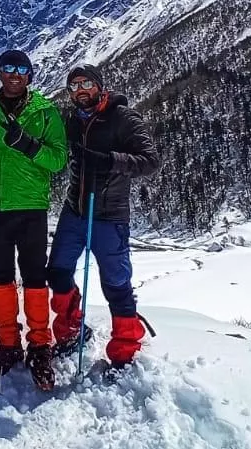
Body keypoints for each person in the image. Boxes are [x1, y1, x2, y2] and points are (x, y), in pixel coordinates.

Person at [0, 49, 67, 391]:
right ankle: (8, 345)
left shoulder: (46, 112)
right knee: (0, 276)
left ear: (30, 74)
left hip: (32, 207)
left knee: (35, 278)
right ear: (0, 73)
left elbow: (58, 159)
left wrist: (29, 146)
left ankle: (40, 345)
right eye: (8, 67)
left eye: (21, 68)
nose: (14, 74)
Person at [47, 65, 160, 370]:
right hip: (75, 210)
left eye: (85, 83)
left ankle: (125, 350)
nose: (79, 90)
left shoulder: (123, 118)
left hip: (109, 215)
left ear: (99, 86)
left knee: (116, 284)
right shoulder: (71, 120)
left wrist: (109, 161)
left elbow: (151, 162)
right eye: (73, 86)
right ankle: (72, 331)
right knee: (57, 273)